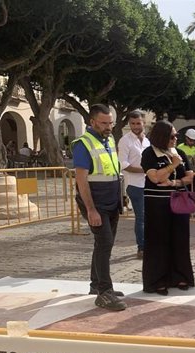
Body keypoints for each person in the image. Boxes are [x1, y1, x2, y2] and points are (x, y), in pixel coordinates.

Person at [72, 104, 126, 311]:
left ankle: (96, 285)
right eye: (104, 123)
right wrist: (91, 209)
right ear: (92, 122)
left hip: (112, 201)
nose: (109, 126)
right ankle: (104, 292)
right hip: (96, 203)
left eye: (110, 122)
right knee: (104, 243)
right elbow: (81, 180)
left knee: (105, 244)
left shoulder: (109, 139)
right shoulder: (82, 144)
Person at [140, 120, 195, 295]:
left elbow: (189, 176)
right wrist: (173, 165)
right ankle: (157, 280)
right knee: (158, 241)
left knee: (180, 239)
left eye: (176, 135)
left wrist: (174, 181)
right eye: (172, 136)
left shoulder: (179, 153)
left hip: (178, 201)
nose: (175, 139)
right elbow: (155, 178)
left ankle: (180, 276)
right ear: (162, 136)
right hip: (157, 203)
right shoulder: (149, 153)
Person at [117, 110, 150, 259]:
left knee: (150, 217)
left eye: (138, 123)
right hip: (135, 185)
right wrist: (146, 170)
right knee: (141, 217)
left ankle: (150, 245)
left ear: (144, 123)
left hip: (150, 184)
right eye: (132, 123)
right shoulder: (125, 141)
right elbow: (123, 164)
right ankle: (141, 248)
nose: (135, 126)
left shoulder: (148, 141)